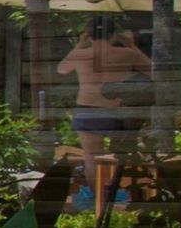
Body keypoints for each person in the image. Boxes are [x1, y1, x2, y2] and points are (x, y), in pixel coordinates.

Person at [61, 20, 155, 212]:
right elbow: (153, 70)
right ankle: (115, 195)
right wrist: (132, 46)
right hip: (116, 109)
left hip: (87, 108)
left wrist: (80, 45)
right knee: (122, 155)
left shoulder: (81, 54)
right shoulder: (126, 54)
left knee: (90, 157)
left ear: (88, 35)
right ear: (114, 35)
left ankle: (99, 200)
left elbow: (62, 69)